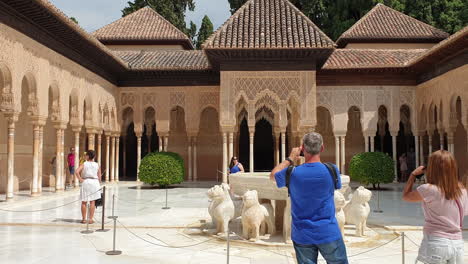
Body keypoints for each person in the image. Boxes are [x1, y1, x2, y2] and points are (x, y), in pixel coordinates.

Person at [270, 132, 348, 264]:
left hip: (302, 234)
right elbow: (336, 186)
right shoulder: (332, 170)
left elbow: (273, 175)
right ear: (322, 148)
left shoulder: (292, 173)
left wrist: (290, 158)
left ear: (302, 149)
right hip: (328, 232)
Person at [403, 150, 468, 264]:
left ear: (432, 168)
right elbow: (464, 212)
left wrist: (413, 175)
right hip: (457, 244)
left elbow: (406, 196)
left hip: (437, 242)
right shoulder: (462, 190)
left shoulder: (428, 189)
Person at [75, 150, 101, 224]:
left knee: (84, 202)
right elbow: (99, 175)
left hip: (86, 181)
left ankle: (83, 219)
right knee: (92, 202)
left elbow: (77, 172)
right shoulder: (97, 164)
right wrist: (98, 183)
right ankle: (90, 219)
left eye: (86, 155)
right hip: (94, 182)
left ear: (88, 156)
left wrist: (80, 180)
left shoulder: (84, 164)